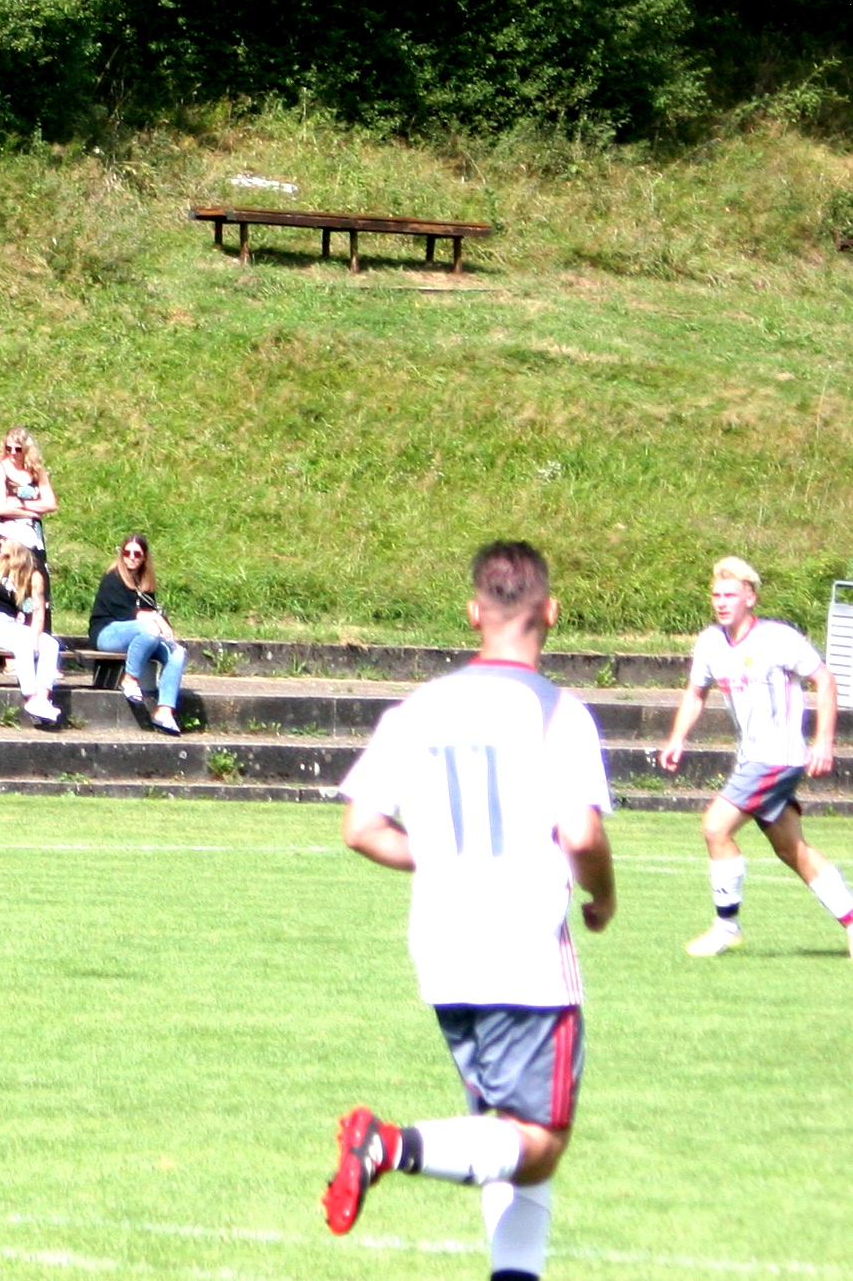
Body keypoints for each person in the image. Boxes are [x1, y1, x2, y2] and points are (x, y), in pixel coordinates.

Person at [322, 541, 615, 1281]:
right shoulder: (558, 711)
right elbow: (581, 835)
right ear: (551, 612)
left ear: (472, 612)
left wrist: (442, 856)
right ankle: (390, 1146)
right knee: (540, 1143)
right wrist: (603, 894)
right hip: (525, 953)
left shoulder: (420, 708)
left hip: (443, 951)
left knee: (502, 1136)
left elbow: (360, 828)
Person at [656, 557, 852, 958]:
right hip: (752, 758)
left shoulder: (777, 638)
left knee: (715, 827)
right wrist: (677, 738)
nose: (721, 602)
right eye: (716, 595)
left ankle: (727, 927)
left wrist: (823, 741)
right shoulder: (711, 642)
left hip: (777, 757)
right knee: (792, 849)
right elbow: (696, 693)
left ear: (751, 598)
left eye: (730, 595)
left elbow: (824, 679)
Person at [91, 534, 186, 736]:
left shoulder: (145, 584)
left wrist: (164, 628)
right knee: (149, 628)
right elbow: (130, 614)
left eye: (137, 554)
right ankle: (130, 679)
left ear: (144, 558)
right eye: (127, 553)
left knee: (177, 653)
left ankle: (164, 711)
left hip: (142, 635)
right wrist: (156, 619)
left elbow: (150, 613)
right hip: (108, 633)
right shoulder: (112, 578)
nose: (131, 557)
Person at [0, 544, 63, 726]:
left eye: (7, 539)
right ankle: (31, 697)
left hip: (11, 624)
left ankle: (43, 698)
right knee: (22, 644)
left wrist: (36, 639)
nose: (2, 542)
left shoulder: (34, 576)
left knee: (50, 644)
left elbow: (38, 613)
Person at [0, 426, 57, 560]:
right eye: (8, 448)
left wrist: (21, 504)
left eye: (18, 449)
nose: (12, 453)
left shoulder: (36, 470)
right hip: (7, 534)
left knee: (35, 570)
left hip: (33, 534)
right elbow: (0, 508)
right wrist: (32, 513)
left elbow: (51, 504)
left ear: (26, 449)